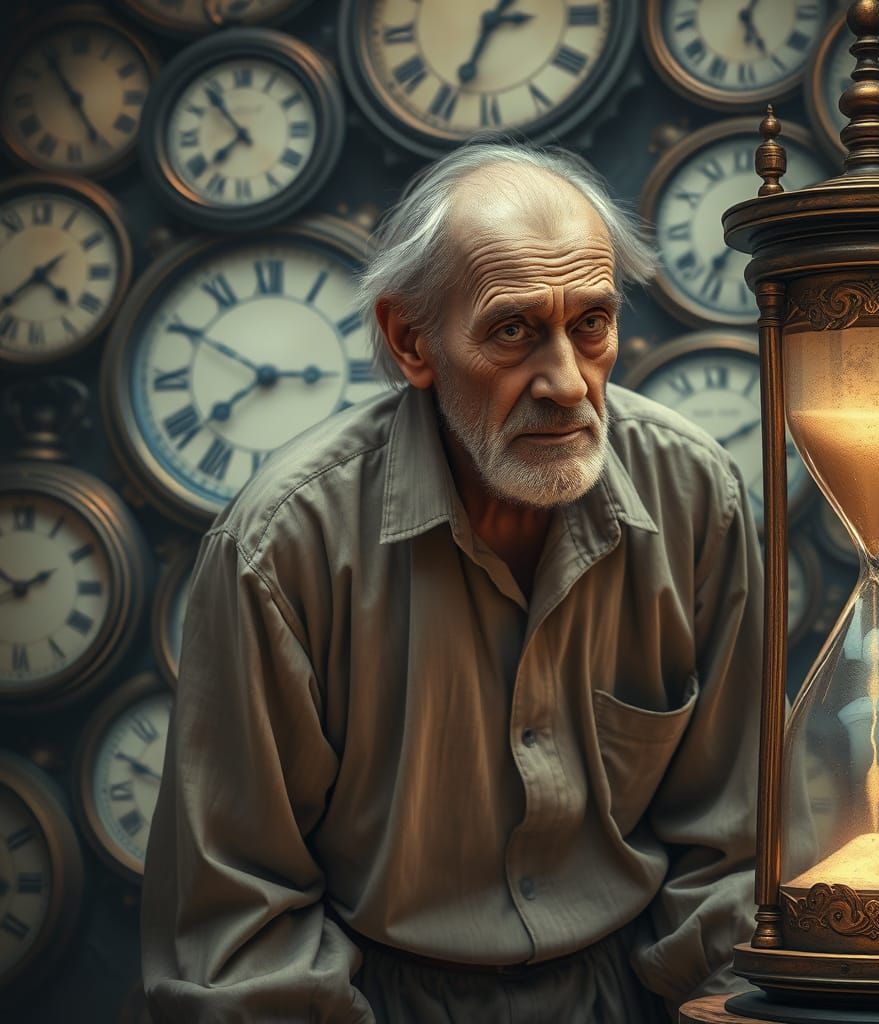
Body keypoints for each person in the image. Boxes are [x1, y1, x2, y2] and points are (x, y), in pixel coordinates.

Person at [141, 139, 763, 1023]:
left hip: (634, 994)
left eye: (592, 323)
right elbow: (239, 921)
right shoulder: (281, 546)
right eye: (513, 330)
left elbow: (732, 855)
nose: (567, 383)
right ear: (411, 341)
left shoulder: (697, 495)